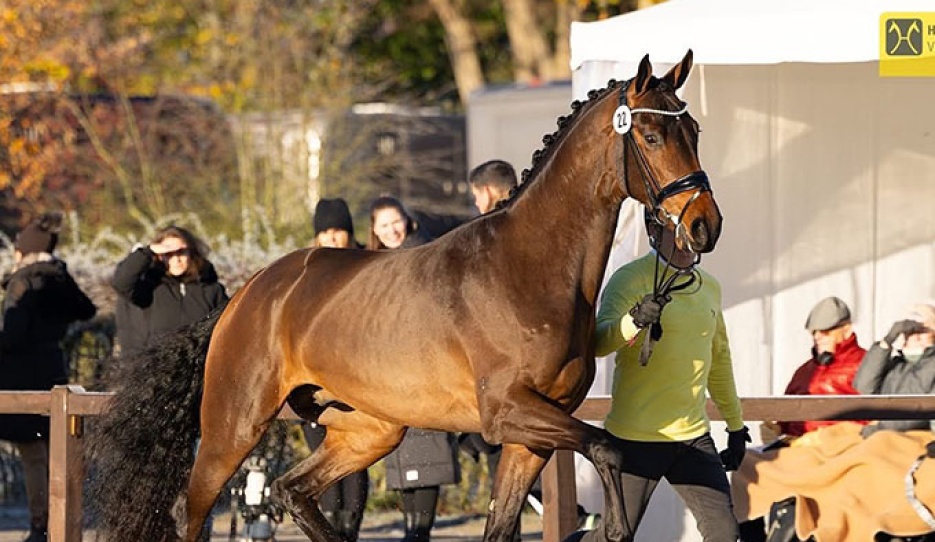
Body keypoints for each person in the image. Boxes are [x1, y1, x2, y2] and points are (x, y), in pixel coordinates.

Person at [571, 209, 748, 542]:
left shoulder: (709, 287)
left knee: (724, 533)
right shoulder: (629, 279)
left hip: (692, 438)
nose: (686, 241)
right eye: (676, 231)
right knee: (614, 536)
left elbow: (719, 361)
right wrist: (634, 320)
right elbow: (597, 343)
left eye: (692, 232)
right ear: (654, 231)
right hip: (635, 437)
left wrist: (736, 426)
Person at [0, 212, 97, 542]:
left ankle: (39, 524)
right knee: (53, 450)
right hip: (52, 368)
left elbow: (12, 335)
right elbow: (87, 310)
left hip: (20, 375)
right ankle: (57, 520)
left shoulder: (23, 282)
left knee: (32, 455)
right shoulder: (57, 279)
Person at [369, 195, 459, 542]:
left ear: (407, 220)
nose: (392, 229)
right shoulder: (375, 262)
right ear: (374, 230)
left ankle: (419, 531)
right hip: (392, 372)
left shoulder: (424, 253)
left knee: (427, 449)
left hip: (427, 367)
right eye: (384, 225)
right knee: (403, 454)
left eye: (396, 221)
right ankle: (413, 529)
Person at [301, 197, 369, 541]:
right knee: (322, 459)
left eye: (338, 231)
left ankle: (350, 532)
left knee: (356, 461)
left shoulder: (365, 265)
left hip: (357, 381)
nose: (332, 239)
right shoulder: (306, 272)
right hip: (317, 382)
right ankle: (328, 531)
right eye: (325, 232)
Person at [765, 296, 866, 441]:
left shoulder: (865, 365)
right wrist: (776, 429)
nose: (817, 336)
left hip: (842, 448)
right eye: (814, 332)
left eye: (825, 331)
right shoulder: (804, 371)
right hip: (796, 447)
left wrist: (826, 437)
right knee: (745, 459)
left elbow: (876, 419)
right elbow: (787, 413)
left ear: (846, 330)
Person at [111, 225, 228, 347]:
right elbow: (122, 283)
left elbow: (227, 327)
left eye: (181, 252)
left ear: (191, 253)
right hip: (157, 362)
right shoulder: (150, 287)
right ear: (159, 255)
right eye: (168, 254)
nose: (176, 259)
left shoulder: (211, 289)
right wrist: (147, 252)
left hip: (200, 362)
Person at [854, 303, 935, 436]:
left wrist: (880, 427)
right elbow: (864, 387)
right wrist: (887, 342)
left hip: (915, 437)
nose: (916, 337)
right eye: (910, 332)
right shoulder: (896, 365)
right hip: (884, 434)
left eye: (923, 331)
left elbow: (922, 411)